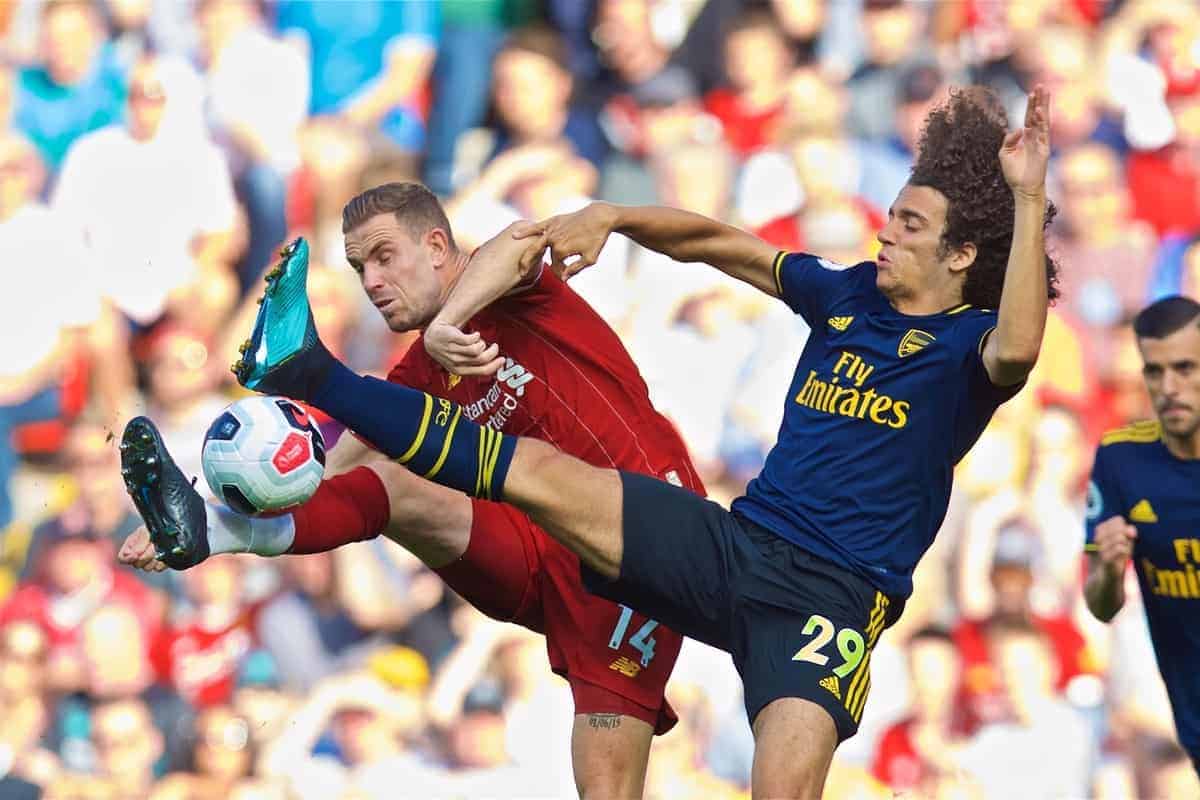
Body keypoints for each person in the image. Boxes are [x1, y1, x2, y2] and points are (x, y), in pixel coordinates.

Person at [211, 83, 1056, 797]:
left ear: (961, 255)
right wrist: (612, 215)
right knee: (536, 470)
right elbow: (718, 245)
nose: (886, 230)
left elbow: (1020, 347)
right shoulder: (844, 296)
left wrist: (1026, 194)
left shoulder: (968, 349)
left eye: (909, 225)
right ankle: (311, 375)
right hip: (735, 545)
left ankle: (306, 387)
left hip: (831, 602)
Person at [119, 181, 705, 799]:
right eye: (357, 267)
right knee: (390, 481)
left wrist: (445, 322)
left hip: (644, 536)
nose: (370, 281)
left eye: (383, 256)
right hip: (536, 561)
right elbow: (337, 470)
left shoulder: (513, 293)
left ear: (435, 246)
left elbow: (515, 242)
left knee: (609, 790)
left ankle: (308, 371)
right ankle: (214, 531)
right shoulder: (414, 381)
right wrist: (197, 516)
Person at [1083, 295, 1200, 777]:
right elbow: (1101, 605)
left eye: (1185, 368)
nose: (1169, 387)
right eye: (1154, 372)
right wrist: (1111, 571)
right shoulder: (1120, 461)